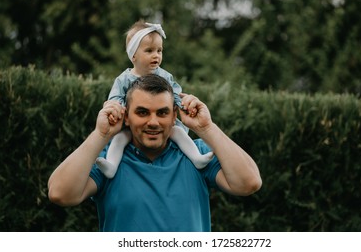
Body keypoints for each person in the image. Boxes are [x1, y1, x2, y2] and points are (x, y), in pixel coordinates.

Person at [48, 74, 262, 232]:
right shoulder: (107, 161)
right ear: (127, 116)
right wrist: (100, 134)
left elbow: (248, 182)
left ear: (174, 116)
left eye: (162, 113)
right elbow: (60, 193)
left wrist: (206, 129)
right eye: (142, 112)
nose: (153, 122)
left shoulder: (197, 155)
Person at [96, 20, 213, 179]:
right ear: (133, 55)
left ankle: (196, 157)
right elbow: (115, 98)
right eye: (149, 50)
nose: (156, 55)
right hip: (129, 124)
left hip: (160, 126)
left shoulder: (164, 76)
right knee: (119, 139)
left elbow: (176, 94)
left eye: (159, 50)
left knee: (178, 131)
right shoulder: (124, 79)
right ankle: (111, 166)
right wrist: (117, 110)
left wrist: (184, 106)